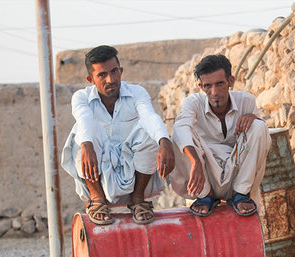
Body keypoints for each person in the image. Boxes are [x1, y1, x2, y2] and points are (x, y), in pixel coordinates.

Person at [61, 45, 174, 225]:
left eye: (114, 72)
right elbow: (83, 119)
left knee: (149, 131)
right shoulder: (81, 97)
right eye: (102, 75)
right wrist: (87, 146)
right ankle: (97, 200)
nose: (110, 79)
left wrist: (165, 141)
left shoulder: (137, 92)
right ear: (90, 79)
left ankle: (138, 200)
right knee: (80, 133)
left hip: (132, 169)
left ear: (121, 71)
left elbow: (149, 117)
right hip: (98, 170)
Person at [169, 54, 271, 217]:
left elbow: (257, 141)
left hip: (236, 176)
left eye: (220, 84)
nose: (214, 92)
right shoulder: (193, 102)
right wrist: (195, 161)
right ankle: (205, 197)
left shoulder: (246, 101)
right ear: (201, 86)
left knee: (259, 126)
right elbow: (181, 128)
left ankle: (241, 194)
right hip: (205, 175)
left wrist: (254, 118)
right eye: (208, 86)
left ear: (231, 81)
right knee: (180, 132)